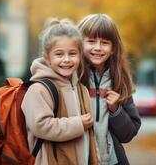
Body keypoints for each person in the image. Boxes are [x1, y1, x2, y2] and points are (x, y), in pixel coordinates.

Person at [21, 18, 99, 165]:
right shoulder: (38, 89)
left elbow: (89, 136)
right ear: (47, 58)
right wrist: (78, 124)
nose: (67, 59)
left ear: (80, 56)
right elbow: (41, 126)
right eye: (59, 54)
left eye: (72, 53)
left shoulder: (81, 89)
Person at [78, 13, 141, 165]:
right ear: (79, 44)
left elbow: (128, 134)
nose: (98, 48)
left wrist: (116, 110)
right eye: (91, 41)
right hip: (79, 158)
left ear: (113, 48)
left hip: (111, 161)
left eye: (105, 43)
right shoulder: (72, 79)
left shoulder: (120, 81)